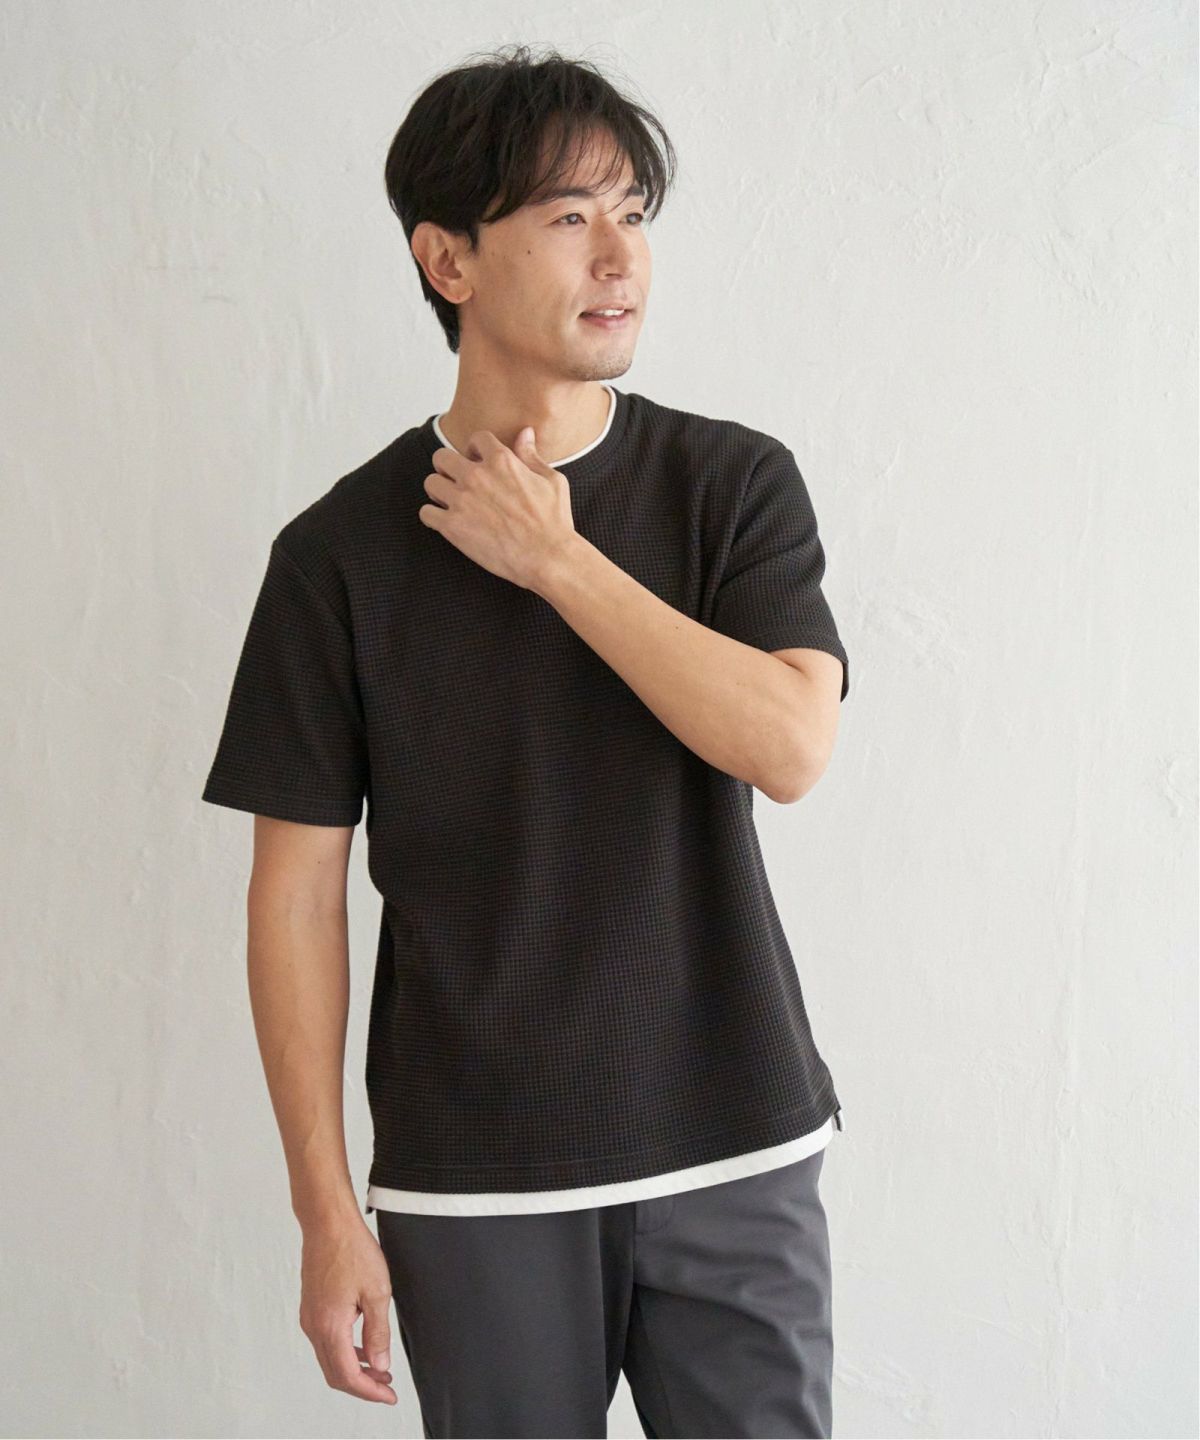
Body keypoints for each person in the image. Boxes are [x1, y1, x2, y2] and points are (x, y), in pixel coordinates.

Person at [201, 42, 851, 1440]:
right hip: (476, 1174)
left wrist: (558, 563)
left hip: (733, 1138)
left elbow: (793, 745)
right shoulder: (336, 557)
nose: (620, 256)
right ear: (449, 258)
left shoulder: (728, 484)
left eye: (633, 213)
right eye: (568, 216)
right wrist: (325, 1210)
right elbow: (295, 895)